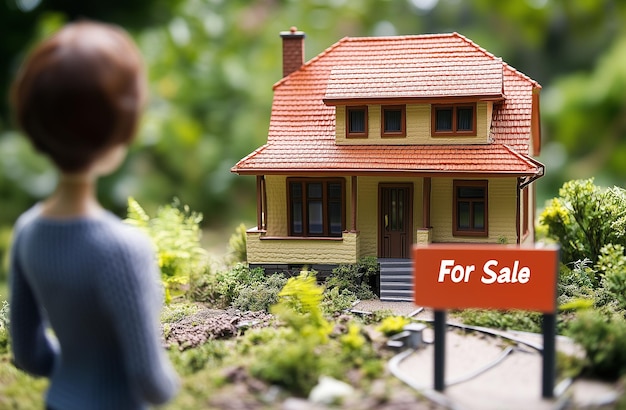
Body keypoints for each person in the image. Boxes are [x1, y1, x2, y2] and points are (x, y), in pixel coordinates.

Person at [8, 21, 179, 409]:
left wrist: (75, 372)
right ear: (122, 131)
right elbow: (151, 380)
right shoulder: (123, 248)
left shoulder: (27, 232)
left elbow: (28, 355)